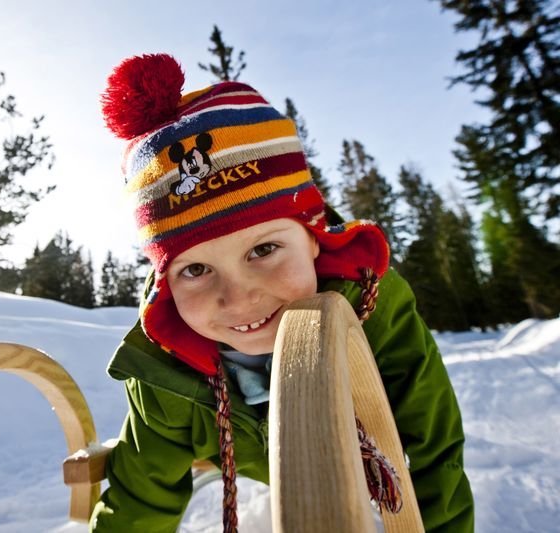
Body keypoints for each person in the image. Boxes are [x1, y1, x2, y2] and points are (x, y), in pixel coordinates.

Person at [90, 53, 473, 533]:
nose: (239, 297)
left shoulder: (375, 307)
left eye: (264, 249)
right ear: (165, 281)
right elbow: (140, 495)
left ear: (313, 237)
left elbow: (434, 448)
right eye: (196, 269)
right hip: (237, 446)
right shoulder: (164, 367)